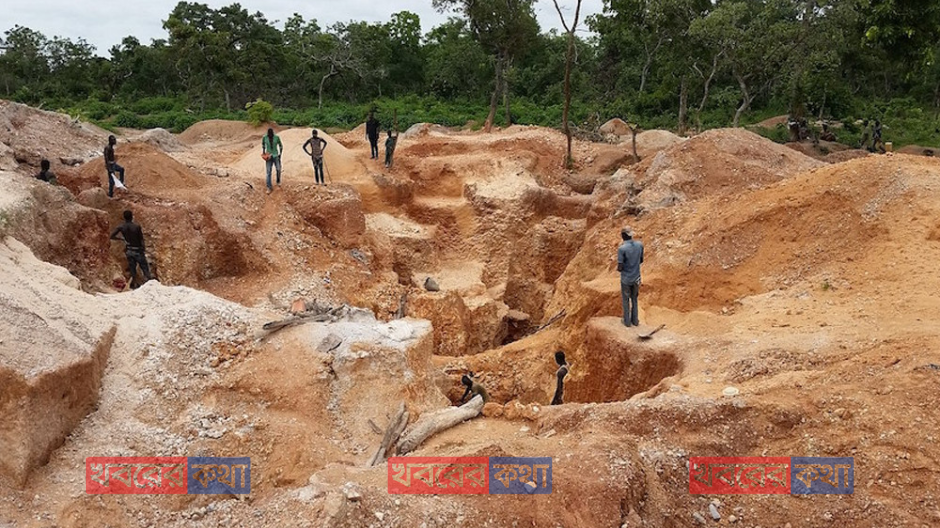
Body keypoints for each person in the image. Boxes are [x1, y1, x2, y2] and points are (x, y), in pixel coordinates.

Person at [110, 209, 152, 288]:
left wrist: (121, 239)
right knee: (144, 267)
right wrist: (143, 249)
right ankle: (150, 284)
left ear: (124, 217)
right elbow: (141, 239)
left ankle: (134, 284)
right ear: (132, 217)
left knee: (132, 269)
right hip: (138, 250)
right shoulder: (136, 226)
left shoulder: (121, 227)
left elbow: (112, 236)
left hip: (129, 250)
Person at [617, 226, 644, 327]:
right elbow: (641, 260)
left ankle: (627, 322)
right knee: (634, 299)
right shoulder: (640, 245)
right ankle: (635, 321)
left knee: (625, 299)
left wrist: (622, 268)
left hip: (626, 279)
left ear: (623, 235)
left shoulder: (622, 249)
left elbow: (620, 267)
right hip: (636, 277)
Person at [262, 128, 283, 193]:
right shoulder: (265, 137)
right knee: (268, 172)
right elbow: (263, 144)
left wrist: (280, 154)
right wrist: (263, 152)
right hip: (268, 156)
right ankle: (269, 187)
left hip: (275, 155)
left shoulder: (277, 137)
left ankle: (278, 181)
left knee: (278, 169)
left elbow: (281, 145)